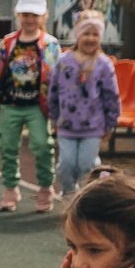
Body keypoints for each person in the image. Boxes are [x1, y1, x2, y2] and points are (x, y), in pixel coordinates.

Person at [0, 0, 59, 213]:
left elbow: (58, 76)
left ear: (43, 17)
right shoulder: (8, 43)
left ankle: (45, 186)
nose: (30, 19)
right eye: (25, 14)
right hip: (10, 103)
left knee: (42, 145)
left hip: (37, 105)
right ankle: (11, 187)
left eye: (34, 15)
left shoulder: (50, 44)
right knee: (6, 145)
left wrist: (59, 106)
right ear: (18, 15)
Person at [46, 14, 121, 204]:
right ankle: (70, 192)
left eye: (95, 34)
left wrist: (110, 124)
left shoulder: (104, 64)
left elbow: (111, 96)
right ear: (78, 35)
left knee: (86, 165)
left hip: (93, 126)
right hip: (67, 125)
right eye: (86, 33)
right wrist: (54, 117)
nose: (90, 38)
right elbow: (53, 91)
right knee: (66, 165)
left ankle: (86, 197)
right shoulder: (64, 61)